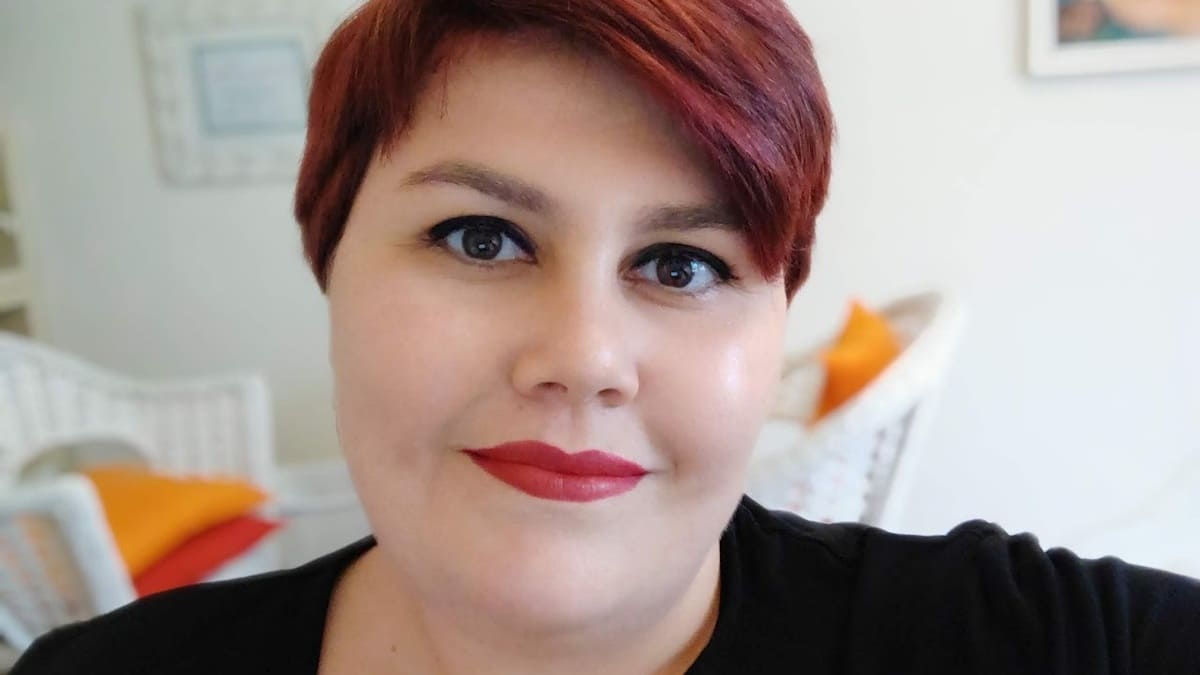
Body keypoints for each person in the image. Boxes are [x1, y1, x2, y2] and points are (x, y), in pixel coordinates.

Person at [13, 0, 1200, 673]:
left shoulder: (1017, 645)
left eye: (682, 264)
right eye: (481, 237)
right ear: (332, 260)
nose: (582, 356)